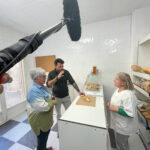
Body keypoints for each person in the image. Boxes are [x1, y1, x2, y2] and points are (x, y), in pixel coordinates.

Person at [27, 68, 57, 150]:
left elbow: (45, 96)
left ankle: (44, 148)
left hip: (45, 119)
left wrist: (51, 97)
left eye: (45, 75)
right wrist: (53, 102)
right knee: (41, 140)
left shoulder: (41, 86)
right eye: (43, 76)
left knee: (44, 139)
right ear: (35, 79)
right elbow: (44, 107)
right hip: (39, 122)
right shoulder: (33, 91)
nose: (45, 77)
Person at [106, 72, 138, 150]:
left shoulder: (128, 95)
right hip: (118, 123)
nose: (114, 80)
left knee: (121, 143)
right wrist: (111, 105)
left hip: (124, 126)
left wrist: (113, 108)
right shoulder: (118, 90)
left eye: (116, 79)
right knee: (120, 141)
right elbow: (118, 104)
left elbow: (129, 113)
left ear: (123, 83)